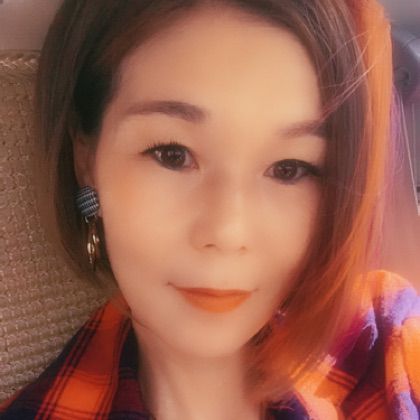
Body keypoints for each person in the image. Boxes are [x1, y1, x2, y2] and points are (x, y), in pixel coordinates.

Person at [1, 0, 419, 419]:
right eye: (172, 154)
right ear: (86, 161)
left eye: (288, 169)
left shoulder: (383, 345)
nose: (228, 232)